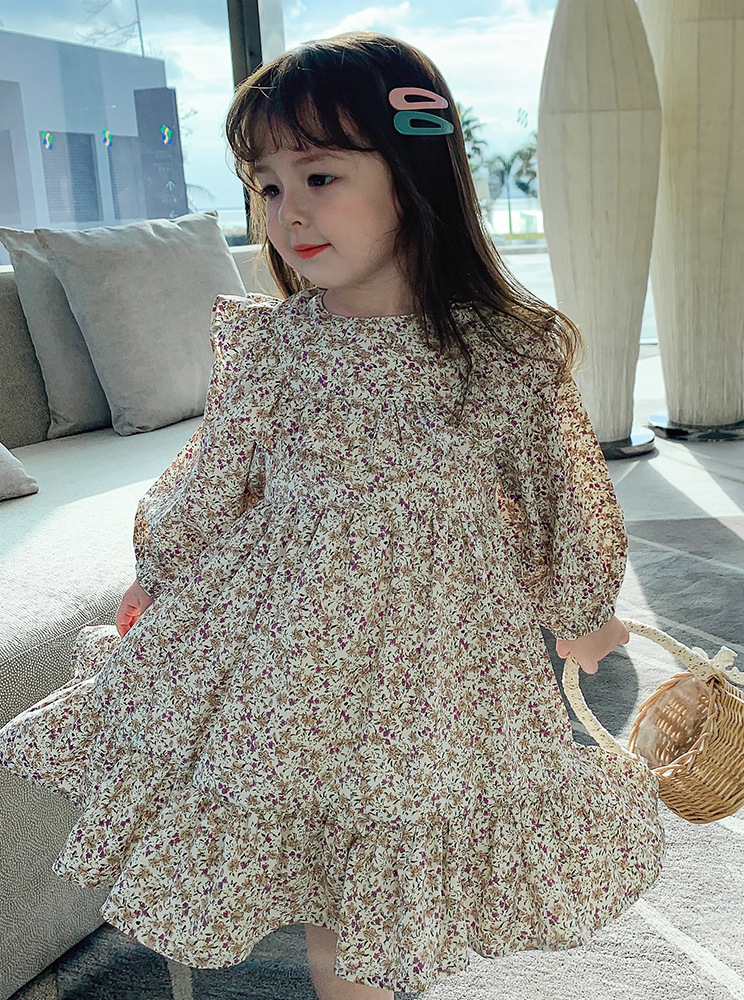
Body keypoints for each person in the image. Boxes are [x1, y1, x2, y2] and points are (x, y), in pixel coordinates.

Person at [0, 31, 664, 1000]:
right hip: (297, 644)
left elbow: (557, 490)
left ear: (413, 174)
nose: (288, 212)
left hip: (440, 653)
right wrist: (160, 569)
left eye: (319, 175)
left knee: (401, 839)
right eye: (267, 186)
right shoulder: (275, 347)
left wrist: (580, 609)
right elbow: (215, 476)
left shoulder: (504, 351)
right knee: (335, 869)